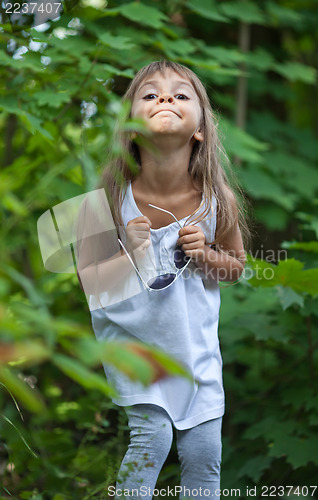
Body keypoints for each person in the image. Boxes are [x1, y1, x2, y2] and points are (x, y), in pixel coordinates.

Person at [76, 60, 250, 499]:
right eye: (150, 95)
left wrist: (207, 255)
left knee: (204, 453)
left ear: (201, 130)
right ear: (131, 128)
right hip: (135, 347)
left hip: (195, 352)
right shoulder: (108, 199)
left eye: (179, 94)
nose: (165, 99)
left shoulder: (217, 199)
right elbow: (91, 285)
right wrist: (131, 253)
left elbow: (236, 267)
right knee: (152, 439)